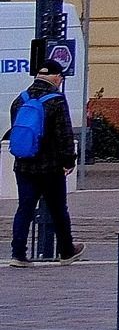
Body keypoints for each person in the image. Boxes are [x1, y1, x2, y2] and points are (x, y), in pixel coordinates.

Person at [8, 60, 80, 264]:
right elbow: (64, 134)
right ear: (57, 78)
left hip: (23, 164)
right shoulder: (56, 100)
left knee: (25, 208)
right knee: (58, 209)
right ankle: (66, 251)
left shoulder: (20, 99)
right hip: (50, 167)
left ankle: (18, 253)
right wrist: (69, 161)